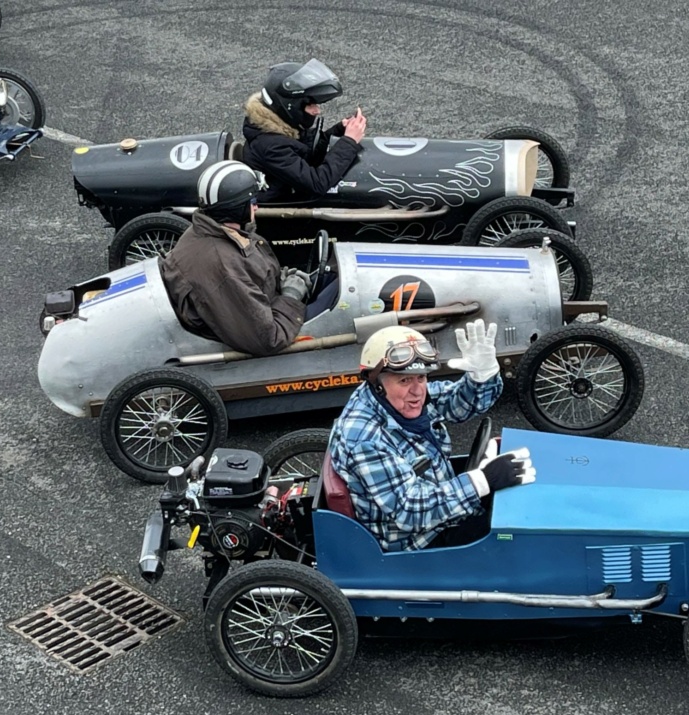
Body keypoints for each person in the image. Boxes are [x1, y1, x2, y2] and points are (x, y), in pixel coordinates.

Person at [329, 320, 536, 552]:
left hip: (440, 505)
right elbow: (409, 511)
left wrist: (482, 377)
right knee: (522, 536)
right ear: (377, 383)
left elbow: (456, 404)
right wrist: (482, 481)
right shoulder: (366, 440)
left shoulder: (391, 398)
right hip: (418, 540)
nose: (417, 391)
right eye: (404, 380)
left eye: (422, 377)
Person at [159, 160, 313, 356]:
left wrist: (280, 282)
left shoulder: (205, 231)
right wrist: (291, 296)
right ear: (236, 208)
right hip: (260, 336)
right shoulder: (222, 267)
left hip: (259, 310)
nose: (256, 208)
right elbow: (267, 339)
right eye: (252, 202)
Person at [242, 59, 367, 204]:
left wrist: (339, 131)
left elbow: (305, 152)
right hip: (281, 215)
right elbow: (317, 183)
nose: (317, 111)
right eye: (311, 105)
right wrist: (349, 142)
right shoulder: (271, 146)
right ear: (290, 106)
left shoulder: (280, 126)